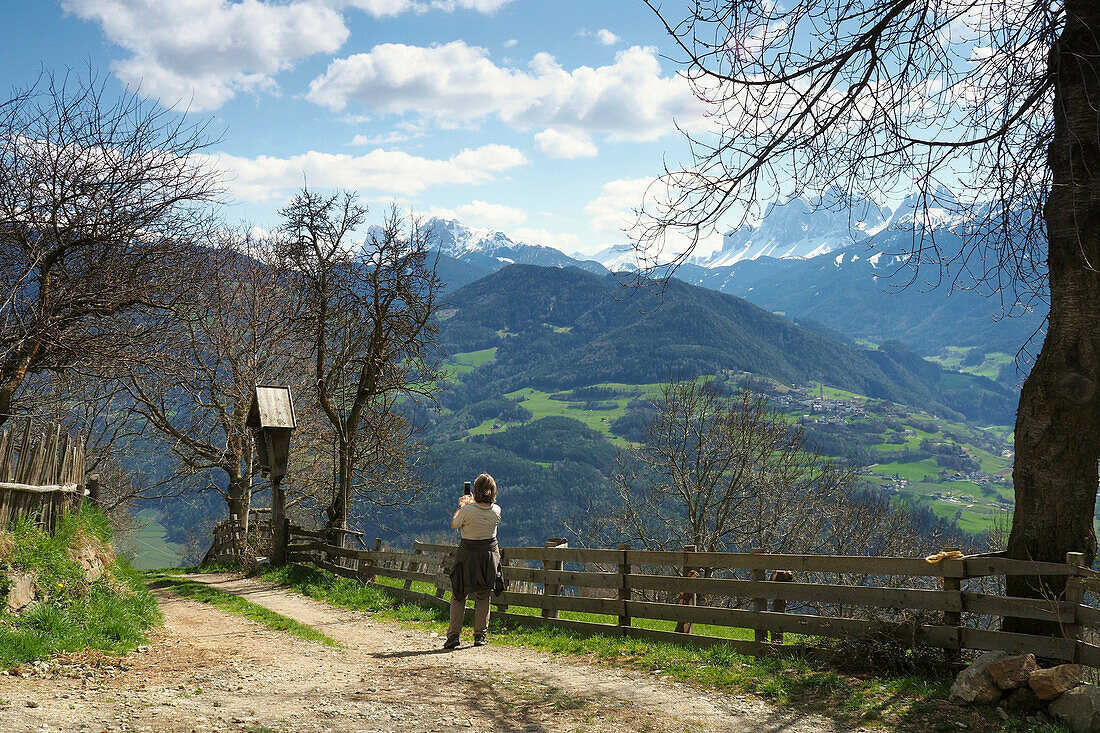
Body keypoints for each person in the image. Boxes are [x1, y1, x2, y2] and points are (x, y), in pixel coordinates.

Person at [444, 473, 503, 649]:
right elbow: (483, 511)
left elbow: (455, 524)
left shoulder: (466, 510)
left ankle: (454, 635)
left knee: (459, 594)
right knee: (483, 595)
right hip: (488, 556)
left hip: (467, 556)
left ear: (475, 490)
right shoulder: (497, 510)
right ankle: (480, 636)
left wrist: (462, 506)